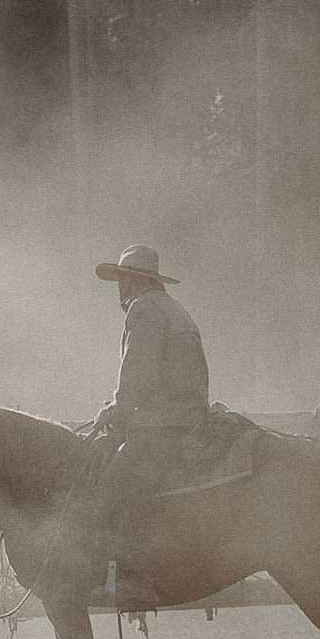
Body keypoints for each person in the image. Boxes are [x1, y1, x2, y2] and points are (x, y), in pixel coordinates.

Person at [90, 245, 210, 611]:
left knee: (117, 482)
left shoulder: (143, 310)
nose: (119, 290)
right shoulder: (176, 310)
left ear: (132, 281)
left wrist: (116, 411)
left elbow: (137, 372)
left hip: (164, 421)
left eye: (122, 280)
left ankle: (134, 580)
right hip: (188, 415)